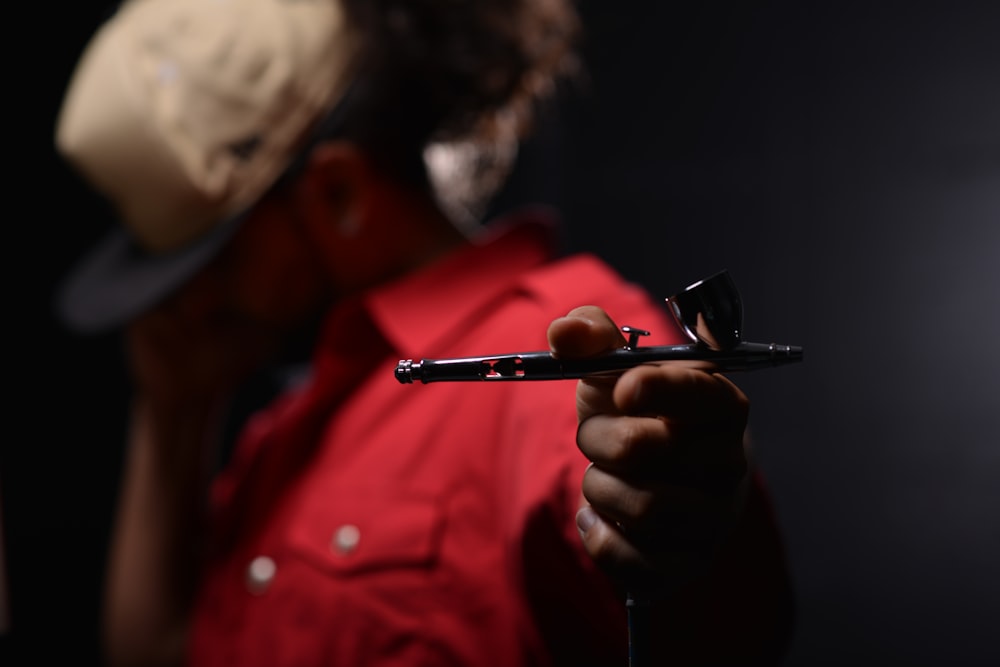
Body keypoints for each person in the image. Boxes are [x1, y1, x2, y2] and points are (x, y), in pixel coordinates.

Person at [53, 0, 794, 665]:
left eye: (215, 257)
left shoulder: (563, 350)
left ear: (340, 195)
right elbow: (163, 651)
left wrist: (689, 515)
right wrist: (171, 411)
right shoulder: (290, 430)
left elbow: (707, 606)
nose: (191, 301)